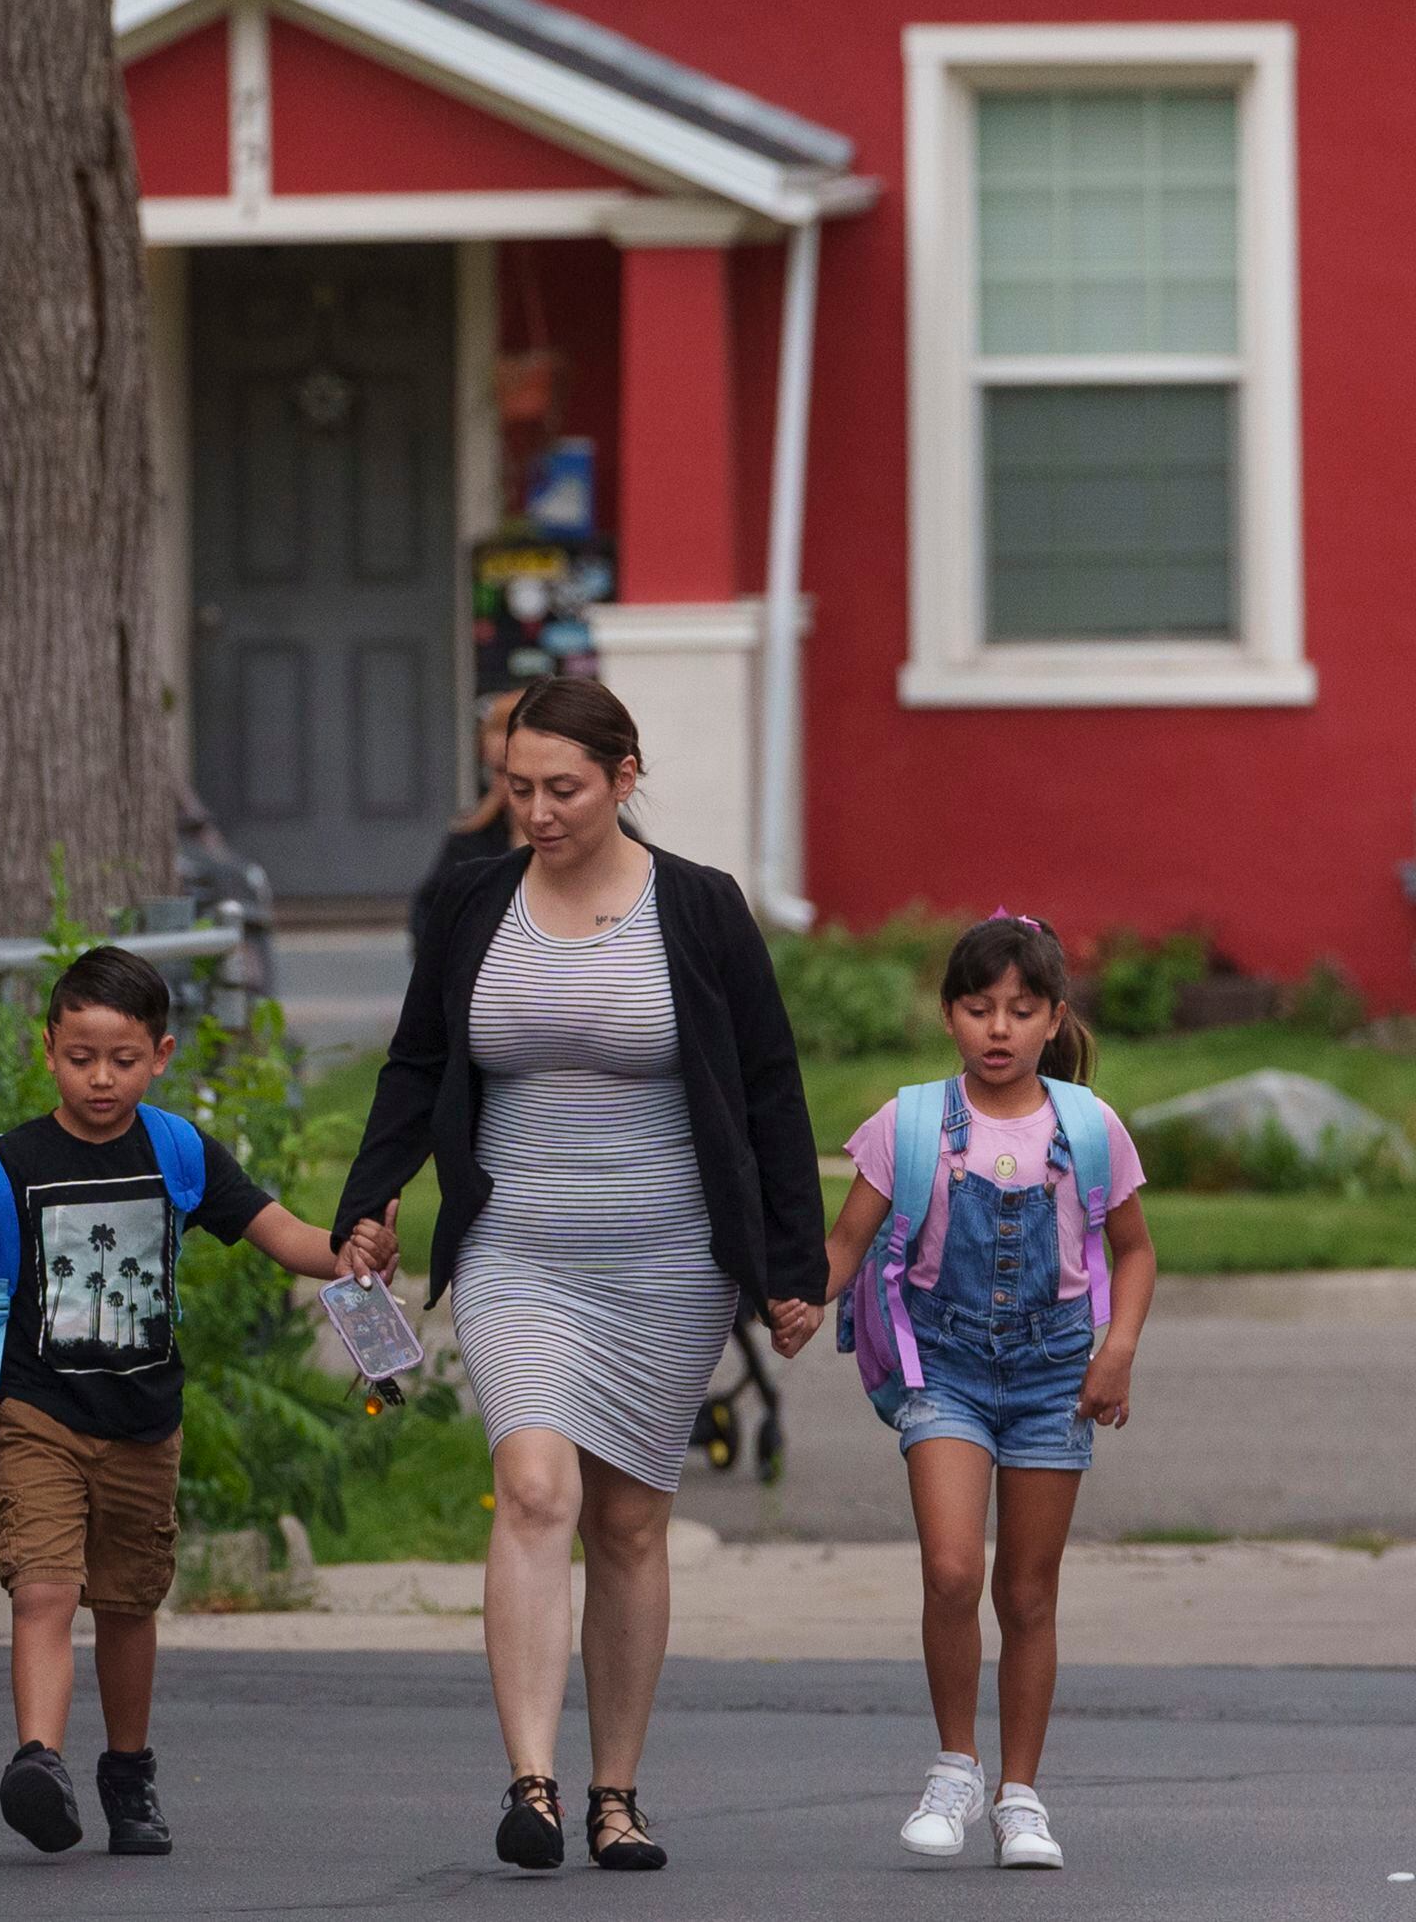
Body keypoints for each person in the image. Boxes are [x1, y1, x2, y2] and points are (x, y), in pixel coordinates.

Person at [332, 676, 825, 1873]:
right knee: (537, 1488)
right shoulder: (470, 902)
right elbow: (417, 1059)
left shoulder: (700, 910)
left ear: (623, 777)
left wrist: (792, 1264)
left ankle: (617, 1793)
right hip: (520, 1253)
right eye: (519, 788)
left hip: (664, 1262)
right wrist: (369, 1198)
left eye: (564, 789)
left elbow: (768, 1087)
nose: (540, 813)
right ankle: (533, 1783)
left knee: (629, 1520)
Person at [0, 947, 397, 1858]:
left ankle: (128, 1774)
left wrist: (349, 1253)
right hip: (36, 1414)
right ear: (48, 1050)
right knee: (43, 1589)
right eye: (81, 1057)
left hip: (147, 1425)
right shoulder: (8, 1166)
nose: (101, 1078)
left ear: (160, 1053)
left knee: (127, 1604)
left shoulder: (179, 1150)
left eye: (122, 1059)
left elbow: (281, 1235)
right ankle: (39, 1759)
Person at [770, 913, 1155, 1871]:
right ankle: (955, 1766)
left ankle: (1020, 1796)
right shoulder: (905, 1124)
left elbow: (1135, 1250)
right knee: (952, 1569)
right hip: (940, 1368)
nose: (999, 1029)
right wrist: (798, 1300)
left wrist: (1121, 1347)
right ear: (948, 1014)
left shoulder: (1088, 1127)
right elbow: (843, 1248)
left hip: (1054, 1375)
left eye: (1022, 1011)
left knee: (1027, 1591)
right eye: (979, 1007)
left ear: (1054, 1017)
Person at [408, 691, 522, 945]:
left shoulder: (608, 838)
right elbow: (428, 920)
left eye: (517, 773)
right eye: (497, 772)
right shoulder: (471, 838)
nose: (506, 786)